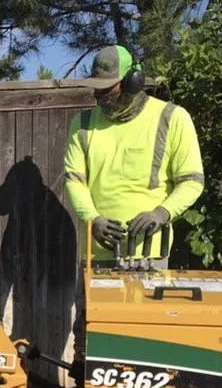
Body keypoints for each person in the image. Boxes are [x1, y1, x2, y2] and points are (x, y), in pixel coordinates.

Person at [63, 44, 205, 260]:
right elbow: (75, 181)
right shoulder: (82, 124)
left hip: (152, 255)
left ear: (133, 83)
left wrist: (162, 213)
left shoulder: (172, 118)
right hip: (96, 257)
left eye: (107, 89)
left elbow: (192, 181)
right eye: (96, 89)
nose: (99, 97)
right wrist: (92, 218)